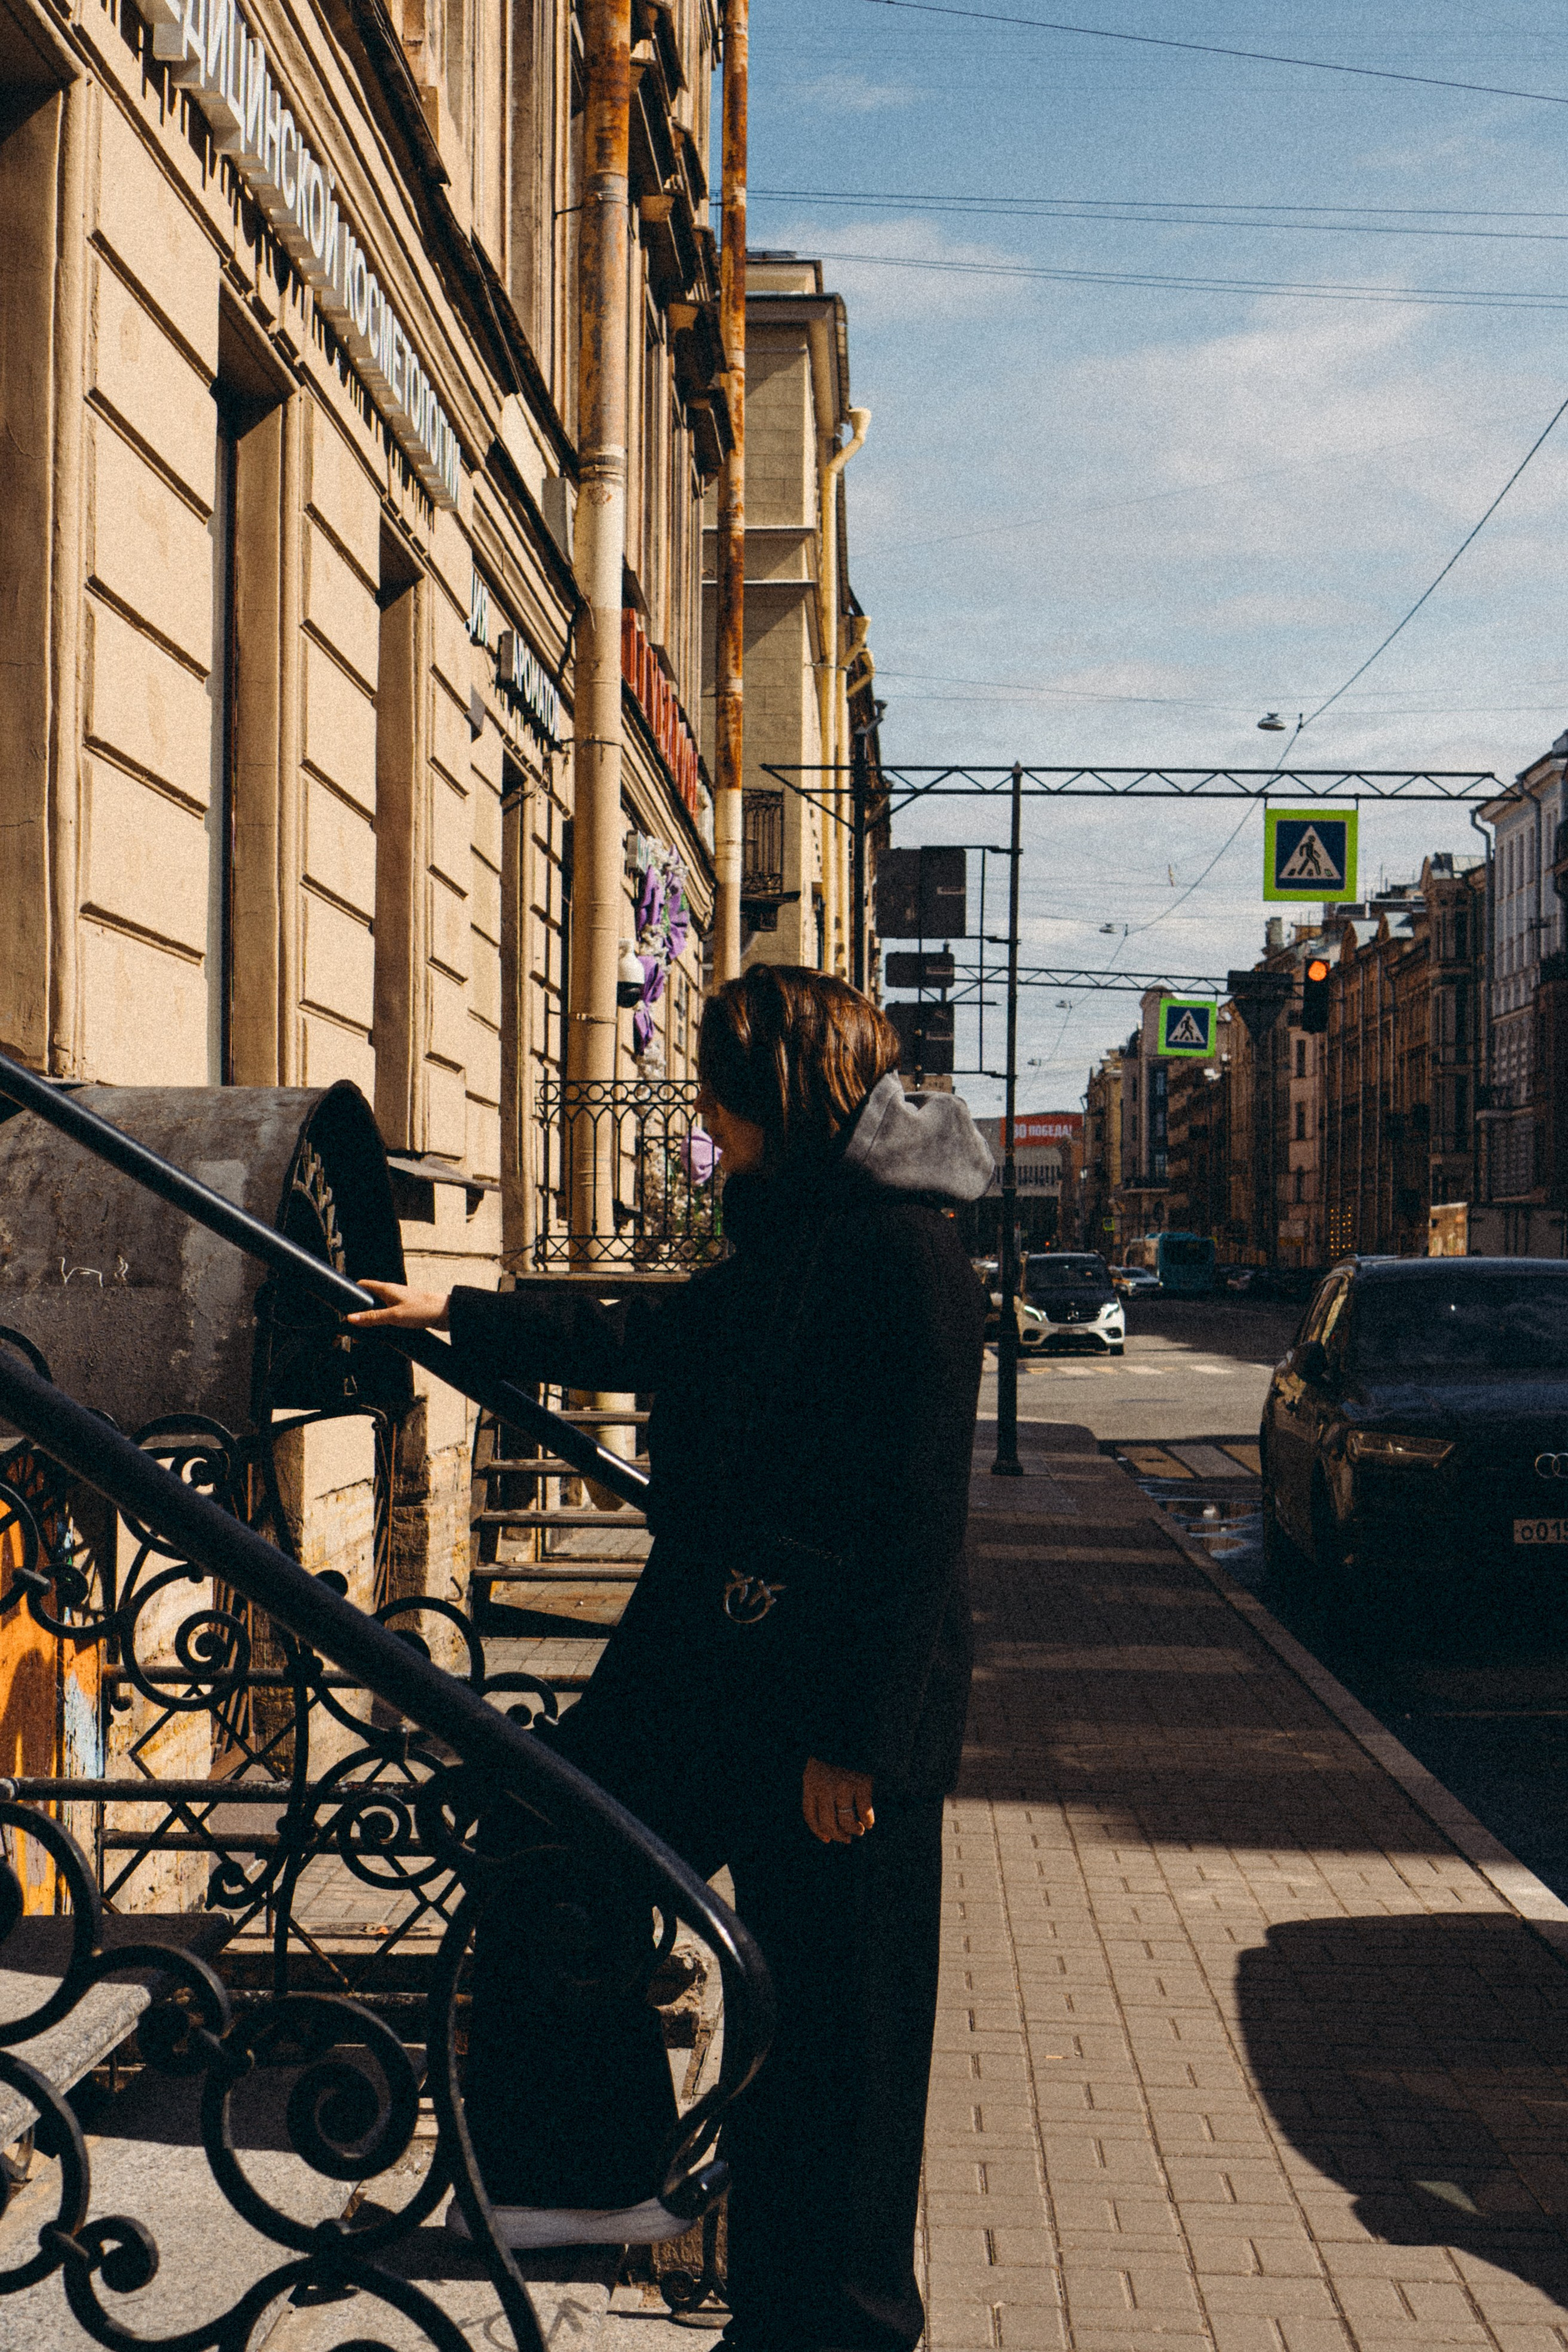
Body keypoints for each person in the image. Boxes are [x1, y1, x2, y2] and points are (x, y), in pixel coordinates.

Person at [347, 966, 992, 2352]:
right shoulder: (799, 1236)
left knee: (843, 2048)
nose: (700, 1112)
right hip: (719, 1667)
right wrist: (452, 1318)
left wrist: (859, 1740)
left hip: (833, 1721)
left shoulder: (909, 1260)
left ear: (785, 1090)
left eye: (718, 1088)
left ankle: (838, 2329)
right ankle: (595, 2170)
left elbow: (916, 1526)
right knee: (546, 1830)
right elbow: (649, 1337)